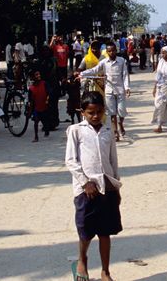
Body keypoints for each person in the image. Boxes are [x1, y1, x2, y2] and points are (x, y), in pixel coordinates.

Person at [65, 91, 121, 281]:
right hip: (85, 191)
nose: (95, 116)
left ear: (104, 111)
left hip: (107, 187)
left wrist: (117, 187)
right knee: (86, 232)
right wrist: (85, 182)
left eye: (99, 112)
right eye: (91, 113)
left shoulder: (108, 130)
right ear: (83, 112)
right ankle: (82, 259)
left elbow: (113, 160)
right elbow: (71, 161)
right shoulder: (76, 131)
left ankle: (106, 271)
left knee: (105, 232)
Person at [79, 42, 130, 141]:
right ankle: (115, 132)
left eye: (113, 50)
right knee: (112, 113)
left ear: (116, 50)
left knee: (122, 111)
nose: (111, 53)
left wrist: (127, 87)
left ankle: (121, 123)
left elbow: (125, 75)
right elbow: (94, 70)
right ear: (107, 52)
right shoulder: (104, 62)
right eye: (109, 51)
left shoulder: (122, 61)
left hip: (120, 90)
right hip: (109, 90)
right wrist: (82, 73)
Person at [29, 67, 52, 142]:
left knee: (45, 121)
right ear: (32, 77)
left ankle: (46, 130)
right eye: (36, 75)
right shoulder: (31, 88)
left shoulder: (44, 84)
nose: (38, 76)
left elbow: (49, 93)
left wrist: (48, 101)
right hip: (37, 108)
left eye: (39, 74)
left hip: (45, 106)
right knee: (36, 121)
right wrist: (30, 110)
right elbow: (31, 100)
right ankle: (36, 136)